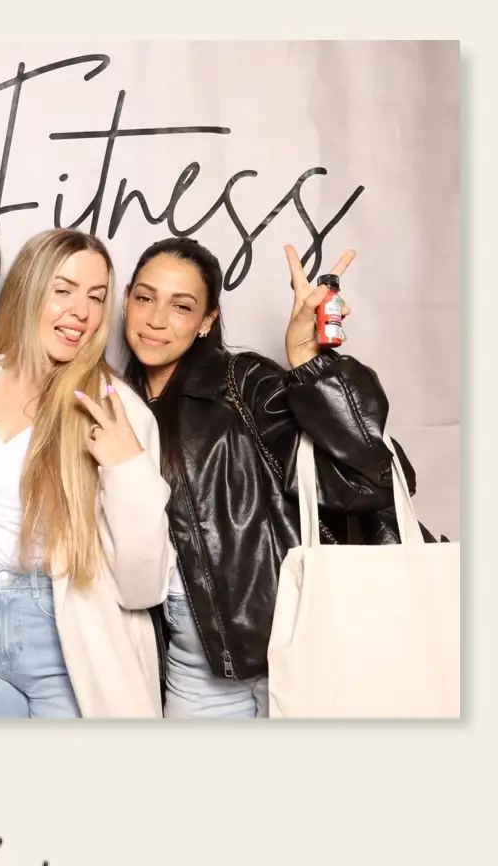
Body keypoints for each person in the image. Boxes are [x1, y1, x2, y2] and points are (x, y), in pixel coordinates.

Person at [121, 234, 419, 716]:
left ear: (207, 322)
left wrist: (310, 362)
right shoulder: (116, 403)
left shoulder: (242, 383)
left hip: (297, 640)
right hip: (195, 657)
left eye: (181, 306)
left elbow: (369, 473)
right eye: (144, 298)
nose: (156, 319)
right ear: (126, 300)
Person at [0, 232, 170, 718]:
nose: (82, 312)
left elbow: (144, 587)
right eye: (63, 290)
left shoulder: (116, 409)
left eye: (97, 297)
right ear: (27, 289)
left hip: (66, 632)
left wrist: (127, 468)